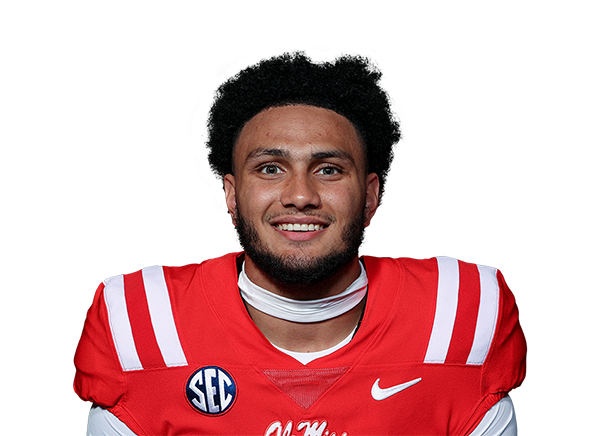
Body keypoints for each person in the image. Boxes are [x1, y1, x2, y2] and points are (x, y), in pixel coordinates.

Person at [74, 49, 527, 436]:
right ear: (231, 196)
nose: (300, 195)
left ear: (370, 196)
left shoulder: (461, 313)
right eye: (270, 168)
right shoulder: (141, 321)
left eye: (329, 169)